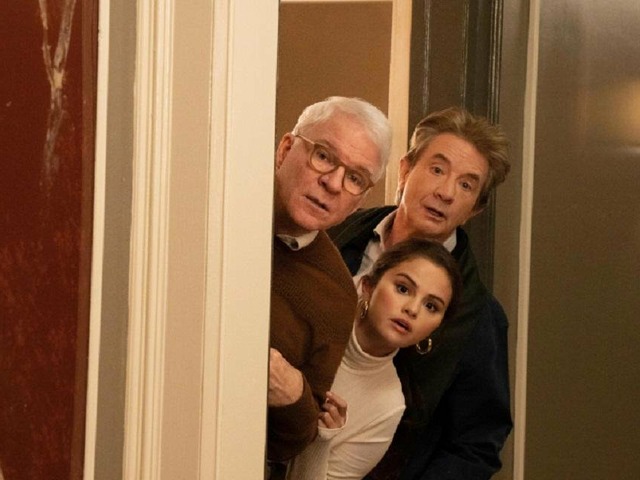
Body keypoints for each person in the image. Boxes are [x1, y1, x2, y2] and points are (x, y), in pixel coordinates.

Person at [328, 106, 513, 479]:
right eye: (437, 169)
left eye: (466, 185)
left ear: (475, 209)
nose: (445, 192)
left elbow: (474, 446)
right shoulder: (335, 234)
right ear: (405, 170)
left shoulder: (477, 315)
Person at [267, 96, 392, 467]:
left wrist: (295, 395)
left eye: (355, 178)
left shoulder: (336, 294)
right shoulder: (217, 200)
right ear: (285, 149)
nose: (333, 183)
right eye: (323, 156)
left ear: (360, 200)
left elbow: (294, 442)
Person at [286, 239, 463, 480]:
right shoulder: (319, 312)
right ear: (368, 286)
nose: (412, 309)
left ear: (437, 327)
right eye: (403, 289)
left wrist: (322, 439)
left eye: (431, 306)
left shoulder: (388, 405)